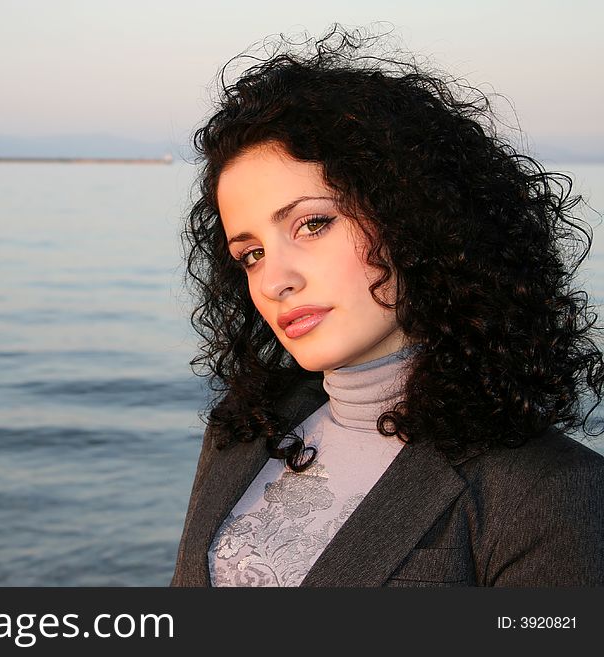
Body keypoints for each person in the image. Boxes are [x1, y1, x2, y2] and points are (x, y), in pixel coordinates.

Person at [170, 24, 604, 587]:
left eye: (313, 223)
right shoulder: (246, 426)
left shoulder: (549, 490)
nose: (274, 279)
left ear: (414, 218)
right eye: (250, 253)